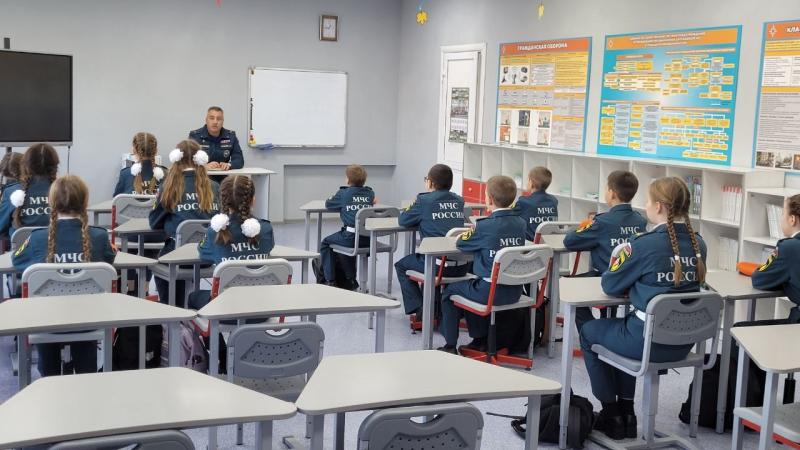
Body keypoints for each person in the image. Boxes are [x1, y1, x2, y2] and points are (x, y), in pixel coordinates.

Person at [581, 176, 706, 440]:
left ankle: (612, 413)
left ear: (658, 206)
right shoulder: (699, 244)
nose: (645, 205)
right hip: (684, 343)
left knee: (590, 332)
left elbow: (610, 284)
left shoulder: (643, 244)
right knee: (623, 327)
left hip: (646, 341)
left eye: (648, 201)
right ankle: (628, 412)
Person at [12, 175, 116, 376]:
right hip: (89, 322)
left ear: (51, 203)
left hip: (48, 323)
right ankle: (86, 378)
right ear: (85, 202)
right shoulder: (100, 236)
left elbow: (18, 261)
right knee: (83, 317)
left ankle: (49, 378)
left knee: (46, 312)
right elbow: (109, 259)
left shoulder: (37, 238)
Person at [438, 175, 526, 354]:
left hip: (490, 292)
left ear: (490, 199)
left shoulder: (485, 226)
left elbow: (461, 244)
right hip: (515, 292)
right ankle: (479, 340)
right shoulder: (521, 223)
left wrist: (472, 232)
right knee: (472, 285)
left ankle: (450, 345)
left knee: (450, 291)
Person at [564, 170, 647, 330]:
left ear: (612, 193)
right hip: (632, 281)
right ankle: (605, 326)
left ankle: (589, 330)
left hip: (606, 279)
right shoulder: (640, 221)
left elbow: (570, 241)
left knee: (570, 287)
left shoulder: (602, 222)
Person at [188, 175, 275, 310]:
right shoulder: (266, 229)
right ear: (253, 200)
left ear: (223, 201)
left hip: (225, 310)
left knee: (192, 297)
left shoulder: (215, 232)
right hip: (261, 310)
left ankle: (212, 327)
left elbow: (204, 255)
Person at [149, 140, 219, 305]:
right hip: (207, 257)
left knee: (162, 258)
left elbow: (154, 222)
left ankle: (173, 307)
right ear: (201, 159)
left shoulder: (169, 187)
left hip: (177, 256)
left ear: (175, 159)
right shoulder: (215, 187)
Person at [394, 164, 467, 319]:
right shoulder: (459, 201)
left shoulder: (424, 201)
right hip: (462, 267)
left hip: (436, 267)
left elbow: (403, 220)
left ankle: (421, 309)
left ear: (430, 183)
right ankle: (436, 309)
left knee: (401, 265)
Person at [312, 164, 375, 289]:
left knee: (326, 243)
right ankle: (351, 280)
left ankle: (330, 280)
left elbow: (329, 204)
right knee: (345, 243)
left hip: (351, 237)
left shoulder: (343, 193)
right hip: (369, 239)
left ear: (348, 180)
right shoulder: (370, 193)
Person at [750, 194, 800, 324]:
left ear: (792, 219)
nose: (781, 219)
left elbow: (759, 279)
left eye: (783, 214)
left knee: (738, 328)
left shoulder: (789, 247)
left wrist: (784, 281)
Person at [188, 106, 244, 171]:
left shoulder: (231, 136)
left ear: (223, 121)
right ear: (206, 120)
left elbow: (239, 160)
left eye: (219, 119)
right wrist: (203, 166)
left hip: (223, 175)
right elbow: (187, 160)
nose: (215, 122)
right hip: (202, 175)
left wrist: (229, 165)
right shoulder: (195, 136)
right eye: (212, 118)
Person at [512, 166, 558, 240]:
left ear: (531, 183)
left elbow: (510, 216)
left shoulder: (524, 202)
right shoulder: (553, 201)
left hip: (530, 242)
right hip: (548, 241)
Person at [114, 132, 166, 196]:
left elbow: (116, 200)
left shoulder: (125, 174)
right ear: (156, 150)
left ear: (134, 150)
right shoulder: (165, 173)